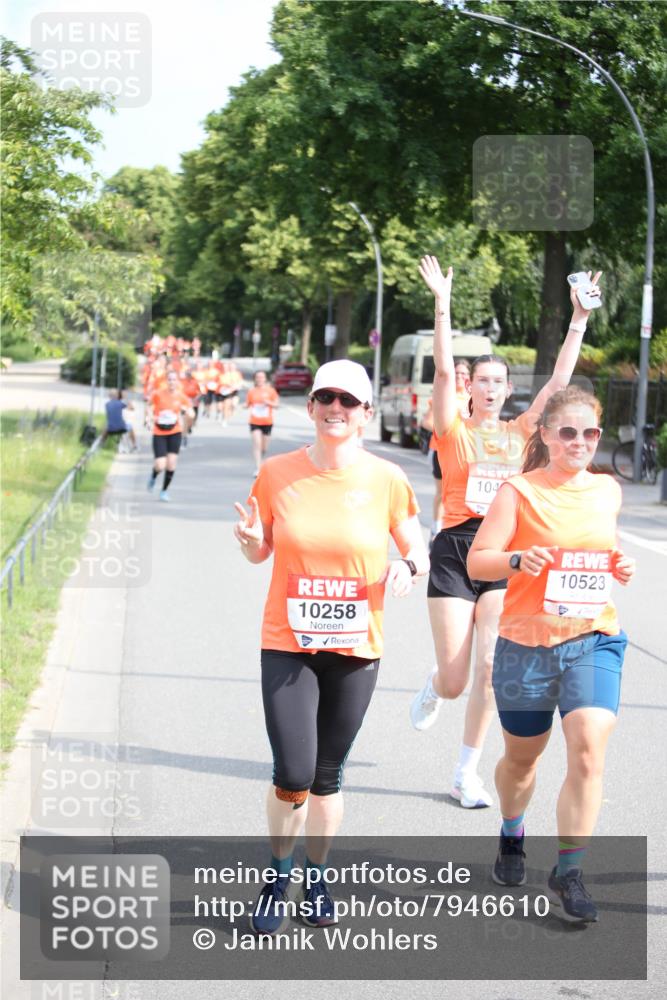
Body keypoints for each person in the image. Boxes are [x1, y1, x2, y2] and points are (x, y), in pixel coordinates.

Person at [233, 359, 429, 935]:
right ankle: (276, 876)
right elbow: (259, 551)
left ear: (367, 413)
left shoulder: (387, 478)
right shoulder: (276, 472)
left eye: (349, 401)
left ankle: (315, 877)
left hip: (354, 646)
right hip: (287, 642)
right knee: (291, 772)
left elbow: (416, 547)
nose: (336, 409)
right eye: (327, 398)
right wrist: (249, 543)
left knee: (326, 775)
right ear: (312, 407)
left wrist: (408, 567)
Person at [409, 255, 601, 810]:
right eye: (482, 381)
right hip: (453, 551)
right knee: (454, 680)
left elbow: (561, 384)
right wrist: (442, 304)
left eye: (500, 382)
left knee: (492, 666)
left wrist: (578, 319)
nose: (490, 389)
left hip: (502, 555)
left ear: (509, 390)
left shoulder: (522, 432)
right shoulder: (452, 431)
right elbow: (444, 373)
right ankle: (435, 684)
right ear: (471, 390)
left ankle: (465, 772)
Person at [467, 386, 634, 921]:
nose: (579, 442)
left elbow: (602, 552)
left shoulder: (607, 490)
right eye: (568, 432)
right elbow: (478, 563)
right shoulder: (518, 492)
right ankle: (512, 835)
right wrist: (516, 560)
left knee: (588, 748)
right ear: (545, 434)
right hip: (526, 644)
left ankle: (569, 871)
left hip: (593, 637)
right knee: (522, 759)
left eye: (590, 433)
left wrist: (619, 566)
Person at [147, 369, 194, 501]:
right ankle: (153, 475)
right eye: (169, 379)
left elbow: (190, 412)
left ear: (177, 382)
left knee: (171, 464)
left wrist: (190, 415)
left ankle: (164, 491)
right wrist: (149, 418)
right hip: (159, 432)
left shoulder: (181, 396)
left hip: (174, 432)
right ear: (166, 381)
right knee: (160, 464)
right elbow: (149, 406)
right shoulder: (158, 394)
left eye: (174, 379)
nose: (172, 382)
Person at [245, 370, 279, 475]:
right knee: (257, 444)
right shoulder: (252, 391)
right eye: (258, 377)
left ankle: (261, 459)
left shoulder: (271, 391)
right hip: (254, 421)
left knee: (264, 447)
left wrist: (268, 402)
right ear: (255, 379)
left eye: (262, 377)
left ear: (265, 379)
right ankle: (258, 468)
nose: (260, 379)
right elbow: (248, 404)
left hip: (267, 422)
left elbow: (277, 405)